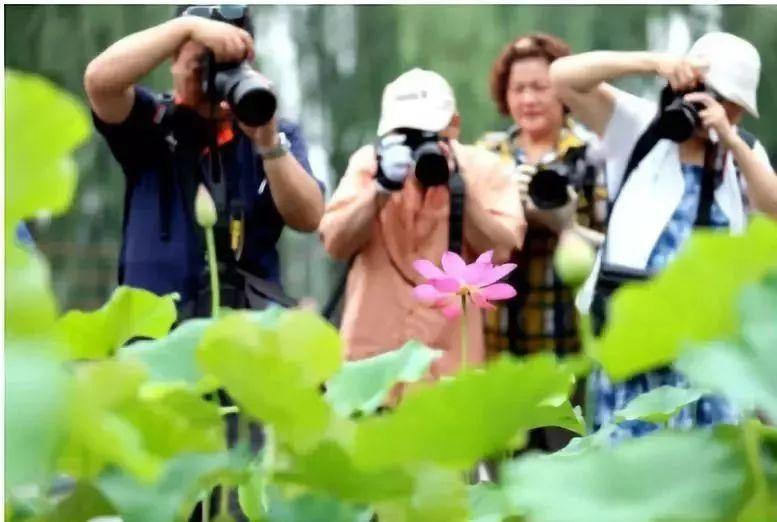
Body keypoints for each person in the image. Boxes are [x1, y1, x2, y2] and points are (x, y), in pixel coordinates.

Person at [550, 32, 777, 442]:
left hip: (711, 349)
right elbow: (562, 76)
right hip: (629, 335)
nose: (703, 107)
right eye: (698, 93)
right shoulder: (638, 126)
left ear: (738, 110)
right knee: (625, 471)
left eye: (723, 102)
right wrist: (652, 61)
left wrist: (729, 141)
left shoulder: (741, 152)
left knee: (706, 477)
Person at [84, 4, 324, 320]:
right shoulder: (151, 122)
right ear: (173, 60)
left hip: (247, 338)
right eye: (201, 66)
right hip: (156, 339)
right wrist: (187, 30)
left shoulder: (273, 134)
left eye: (226, 69)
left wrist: (268, 143)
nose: (213, 83)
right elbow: (99, 82)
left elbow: (309, 216)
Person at [319, 68, 525, 378]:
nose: (418, 146)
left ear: (453, 126)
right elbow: (334, 242)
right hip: (370, 365)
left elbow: (502, 251)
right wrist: (380, 190)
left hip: (449, 364)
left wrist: (460, 191)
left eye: (427, 135)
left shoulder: (484, 169)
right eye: (407, 134)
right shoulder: (369, 164)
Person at [477, 33, 607, 452]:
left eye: (540, 86)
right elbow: (463, 238)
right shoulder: (487, 155)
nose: (529, 98)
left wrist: (563, 224)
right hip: (498, 345)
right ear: (504, 94)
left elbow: (614, 243)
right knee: (505, 475)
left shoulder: (591, 154)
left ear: (565, 92)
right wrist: (500, 204)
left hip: (567, 342)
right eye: (519, 88)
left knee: (566, 464)